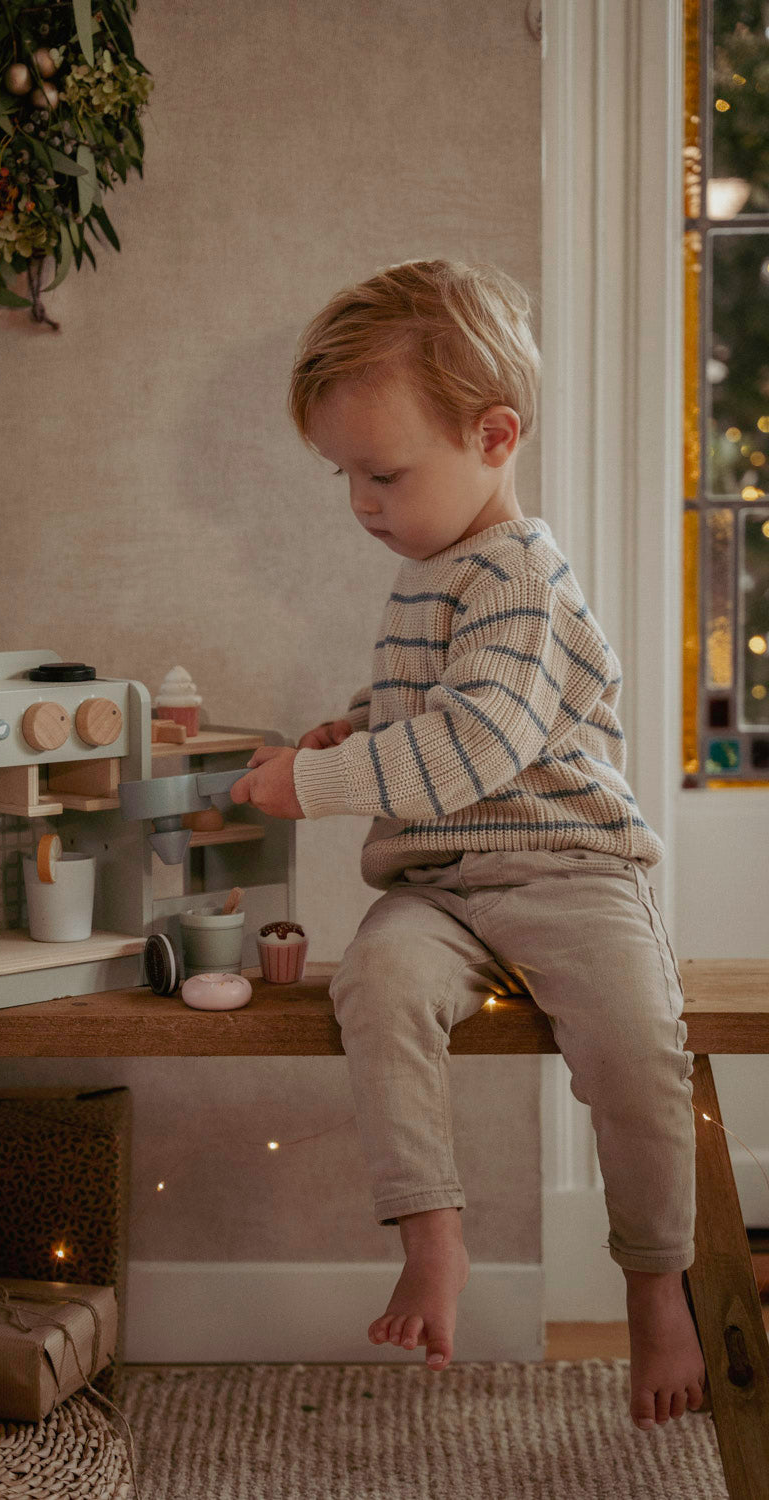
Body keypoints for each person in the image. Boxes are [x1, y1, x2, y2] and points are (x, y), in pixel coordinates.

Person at [229, 258, 705, 1432]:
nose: (361, 501)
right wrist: (360, 720)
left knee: (638, 1049)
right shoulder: (430, 573)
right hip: (444, 887)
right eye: (345, 475)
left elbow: (482, 738)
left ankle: (657, 1285)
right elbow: (429, 712)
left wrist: (324, 780)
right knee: (375, 981)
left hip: (566, 870)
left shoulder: (520, 577)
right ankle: (431, 1235)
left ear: (494, 437)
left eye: (382, 472)